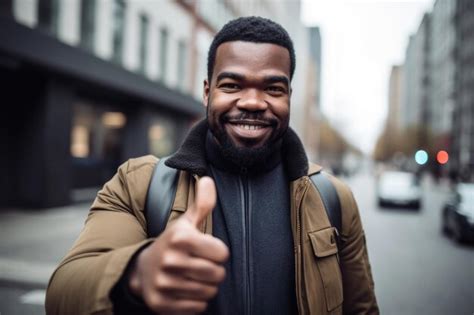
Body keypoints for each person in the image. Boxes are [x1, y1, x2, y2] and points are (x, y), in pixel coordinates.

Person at [46, 16, 379, 315]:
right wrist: (134, 273)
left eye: (272, 88)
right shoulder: (137, 184)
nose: (252, 102)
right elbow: (63, 293)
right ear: (207, 93)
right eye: (232, 85)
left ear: (289, 96)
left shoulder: (333, 198)